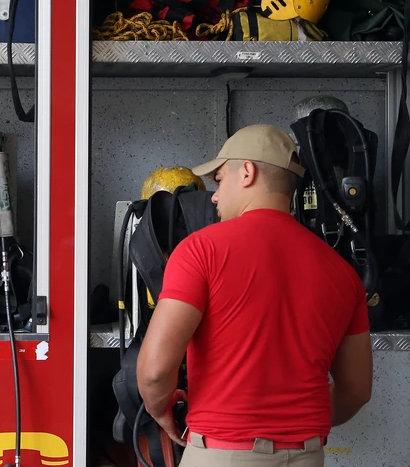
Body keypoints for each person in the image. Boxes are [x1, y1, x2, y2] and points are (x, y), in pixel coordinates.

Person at [135, 124, 373, 466]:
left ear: (247, 172)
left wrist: (160, 411)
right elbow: (356, 390)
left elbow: (155, 372)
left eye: (219, 179)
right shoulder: (342, 271)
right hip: (307, 456)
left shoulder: (200, 250)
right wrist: (294, 425)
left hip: (223, 454)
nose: (214, 195)